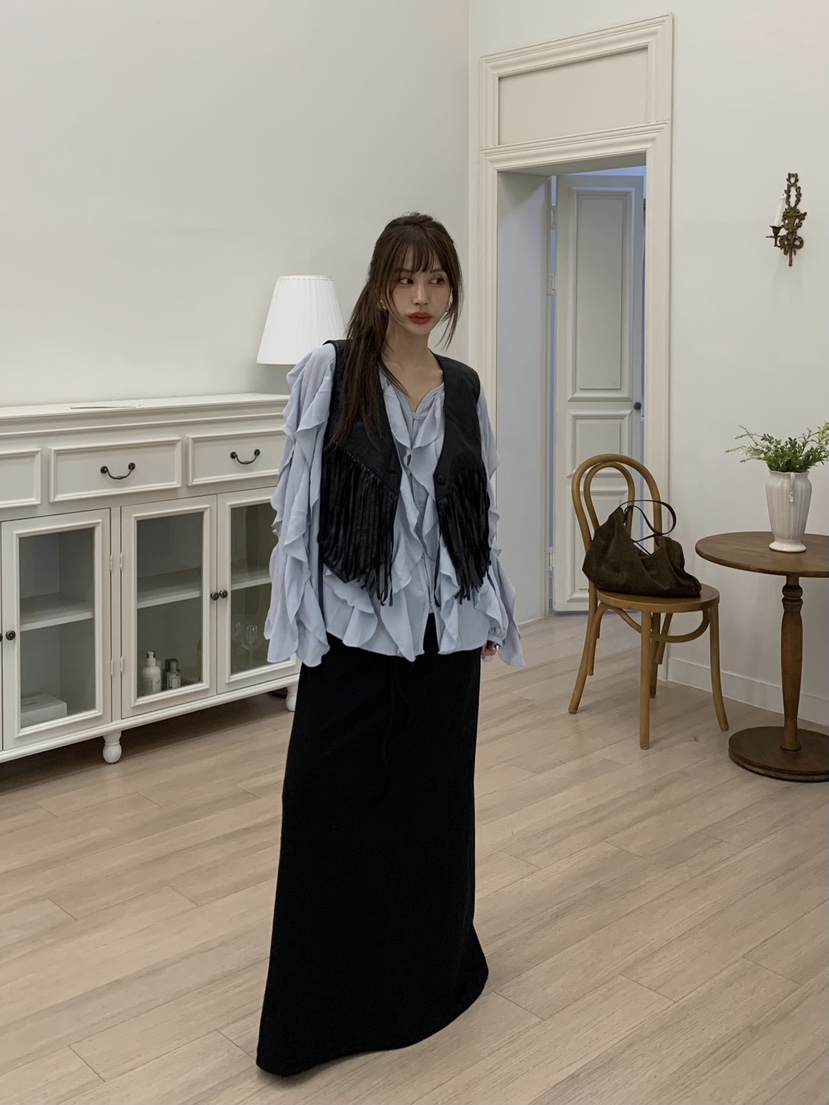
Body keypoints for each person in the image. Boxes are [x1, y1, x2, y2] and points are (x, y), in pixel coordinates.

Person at [256, 212, 523, 1078]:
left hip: (446, 634)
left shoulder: (464, 385)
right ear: (378, 284)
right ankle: (312, 1017)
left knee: (430, 807)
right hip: (353, 628)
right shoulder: (331, 371)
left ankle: (425, 984)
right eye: (405, 277)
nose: (421, 295)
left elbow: (475, 508)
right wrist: (302, 621)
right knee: (323, 801)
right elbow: (297, 506)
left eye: (436, 278)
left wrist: (485, 607)